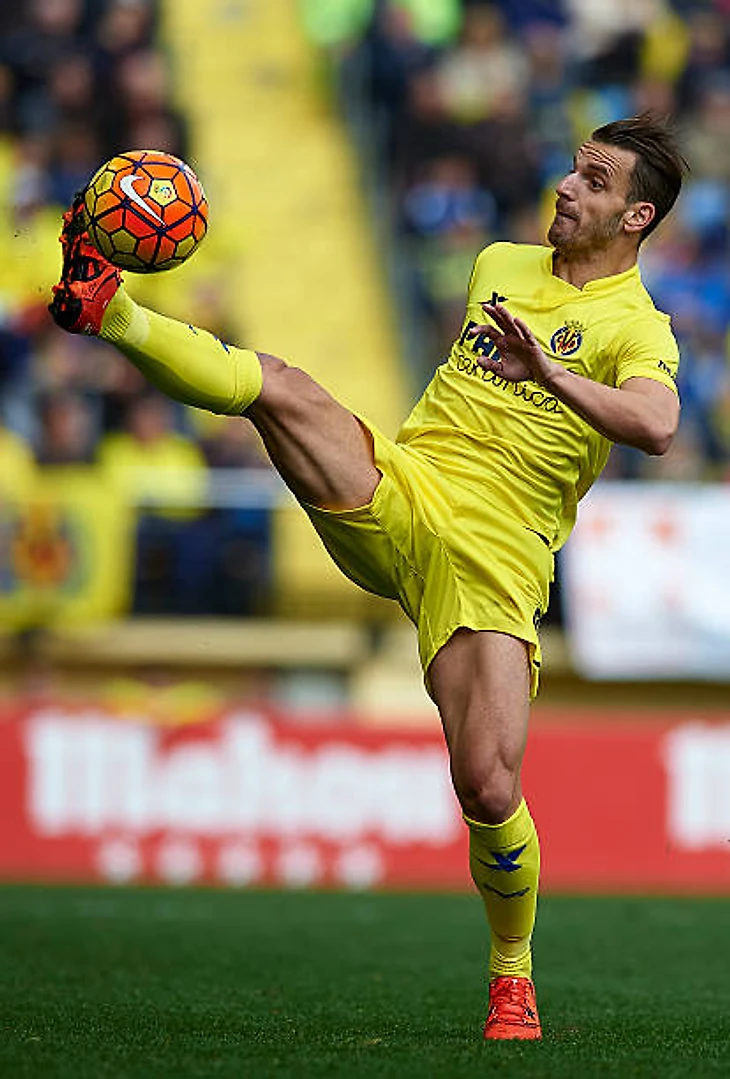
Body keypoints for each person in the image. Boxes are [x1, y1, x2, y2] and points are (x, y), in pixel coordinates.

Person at [48, 113, 686, 1041]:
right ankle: (106, 307)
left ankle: (512, 976)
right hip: (404, 487)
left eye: (594, 181)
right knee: (281, 387)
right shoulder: (499, 264)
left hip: (497, 555)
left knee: (488, 785)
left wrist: (548, 373)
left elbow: (658, 426)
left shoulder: (639, 328)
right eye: (572, 169)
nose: (566, 186)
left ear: (635, 218)